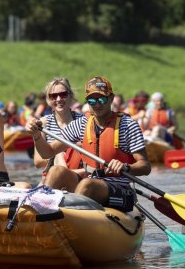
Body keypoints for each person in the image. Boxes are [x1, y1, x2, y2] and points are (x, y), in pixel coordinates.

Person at [25, 76, 151, 212]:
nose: (97, 104)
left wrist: (125, 167)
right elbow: (47, 153)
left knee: (87, 184)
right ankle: (40, 213)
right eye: (92, 100)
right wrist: (36, 135)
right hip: (89, 181)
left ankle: (71, 218)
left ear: (111, 98)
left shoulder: (128, 125)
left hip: (119, 187)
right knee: (56, 171)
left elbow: (145, 166)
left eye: (101, 99)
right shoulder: (80, 124)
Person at [32, 78, 85, 177]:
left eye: (63, 94)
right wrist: (58, 155)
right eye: (53, 96)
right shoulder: (43, 123)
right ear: (49, 99)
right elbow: (38, 161)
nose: (59, 99)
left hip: (80, 174)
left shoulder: (83, 121)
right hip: (53, 176)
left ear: (70, 96)